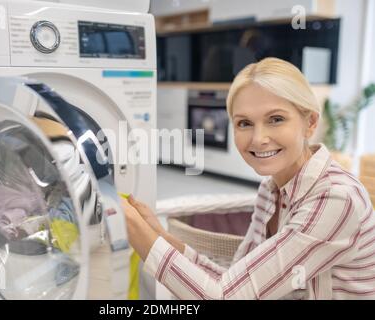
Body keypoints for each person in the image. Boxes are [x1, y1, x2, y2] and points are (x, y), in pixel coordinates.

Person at [121, 57, 375, 299]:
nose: (258, 139)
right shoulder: (270, 188)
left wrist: (137, 232)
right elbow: (234, 283)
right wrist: (161, 238)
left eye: (276, 119)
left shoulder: (336, 197)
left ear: (310, 123)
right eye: (244, 123)